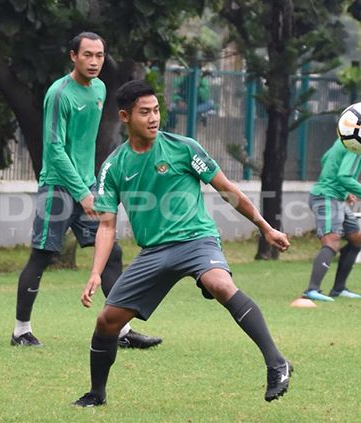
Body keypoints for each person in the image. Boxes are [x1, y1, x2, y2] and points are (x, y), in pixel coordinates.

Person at [72, 80, 292, 407]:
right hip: (154, 253)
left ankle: (277, 364)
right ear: (124, 116)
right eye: (144, 112)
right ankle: (96, 393)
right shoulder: (114, 165)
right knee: (107, 321)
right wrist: (95, 273)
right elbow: (106, 225)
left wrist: (265, 227)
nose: (153, 118)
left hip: (196, 240)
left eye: (156, 110)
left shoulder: (183, 148)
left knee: (219, 283)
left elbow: (227, 189)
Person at [11, 32, 161, 349]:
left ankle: (122, 330)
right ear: (73, 56)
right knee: (42, 255)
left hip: (87, 185)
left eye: (100, 55)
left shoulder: (100, 89)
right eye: (88, 55)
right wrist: (82, 192)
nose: (94, 61)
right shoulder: (59, 94)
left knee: (112, 254)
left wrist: (92, 185)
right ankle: (20, 330)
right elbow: (53, 149)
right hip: (58, 186)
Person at [302, 139, 361, 302]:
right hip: (326, 197)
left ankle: (338, 289)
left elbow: (325, 158)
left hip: (336, 198)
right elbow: (344, 177)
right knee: (331, 241)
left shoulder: (343, 141)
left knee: (357, 239)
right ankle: (311, 290)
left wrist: (345, 191)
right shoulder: (356, 146)